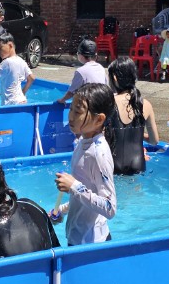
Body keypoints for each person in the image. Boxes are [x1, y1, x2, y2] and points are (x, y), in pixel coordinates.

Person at [48, 83, 118, 245]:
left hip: (93, 244)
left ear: (99, 119)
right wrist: (62, 211)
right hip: (78, 238)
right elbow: (85, 192)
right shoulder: (82, 141)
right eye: (71, 108)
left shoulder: (98, 153)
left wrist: (74, 186)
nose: (71, 116)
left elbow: (110, 207)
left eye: (78, 112)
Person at [106, 57, 159, 175]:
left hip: (113, 165)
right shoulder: (146, 104)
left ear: (114, 78)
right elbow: (154, 141)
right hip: (138, 163)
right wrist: (137, 134)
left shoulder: (109, 102)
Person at [0, 32, 35, 105]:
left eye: (0, 48)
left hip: (11, 103)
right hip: (21, 101)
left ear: (10, 45)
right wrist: (23, 93)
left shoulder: (7, 62)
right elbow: (31, 78)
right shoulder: (21, 61)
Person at [56, 39, 107, 103]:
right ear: (95, 56)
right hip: (101, 102)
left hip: (89, 104)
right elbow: (105, 86)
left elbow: (71, 92)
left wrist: (62, 100)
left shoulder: (81, 71)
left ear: (81, 56)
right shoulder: (101, 68)